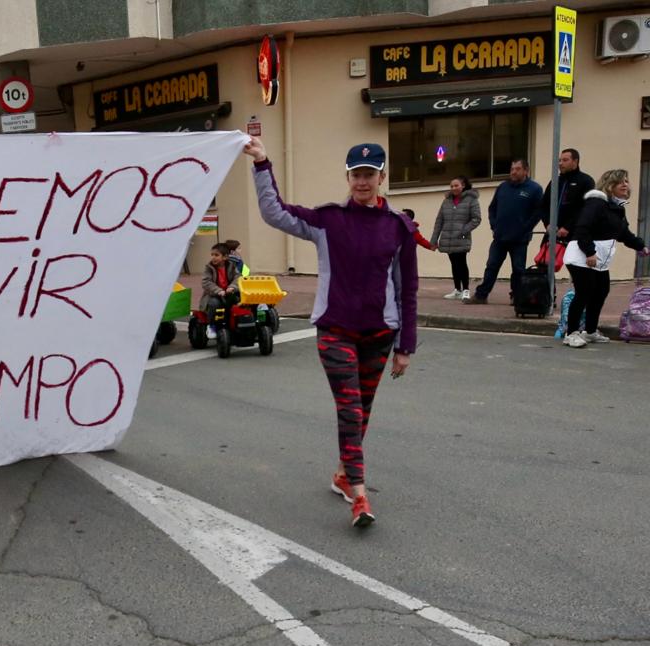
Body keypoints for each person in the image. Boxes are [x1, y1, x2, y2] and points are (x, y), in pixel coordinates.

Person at [247, 137, 417, 529]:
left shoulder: (398, 228)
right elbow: (276, 213)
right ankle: (359, 494)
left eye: (369, 174)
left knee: (364, 412)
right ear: (347, 177)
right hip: (335, 330)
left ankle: (342, 474)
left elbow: (407, 288)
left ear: (381, 177)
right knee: (350, 409)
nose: (362, 181)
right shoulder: (329, 220)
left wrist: (405, 345)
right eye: (356, 174)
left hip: (379, 334)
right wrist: (262, 163)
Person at [562, 170, 649, 348]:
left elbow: (623, 233)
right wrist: (589, 252)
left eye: (626, 181)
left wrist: (640, 245)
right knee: (584, 292)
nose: (625, 184)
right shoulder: (596, 203)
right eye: (620, 182)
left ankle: (590, 331)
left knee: (601, 291)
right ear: (610, 186)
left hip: (599, 259)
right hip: (582, 256)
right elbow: (582, 228)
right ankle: (570, 333)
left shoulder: (617, 208)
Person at [471, 158, 545, 305]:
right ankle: (481, 295)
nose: (513, 172)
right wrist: (494, 225)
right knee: (492, 265)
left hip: (520, 238)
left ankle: (517, 296)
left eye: (517, 169)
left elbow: (538, 212)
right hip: (500, 236)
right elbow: (492, 208)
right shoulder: (503, 187)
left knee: (518, 269)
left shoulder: (534, 189)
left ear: (526, 171)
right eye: (512, 169)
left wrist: (526, 227)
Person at [431, 176, 482, 301]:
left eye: (456, 185)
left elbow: (476, 219)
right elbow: (439, 221)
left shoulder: (471, 200)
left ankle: (465, 290)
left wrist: (463, 230)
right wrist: (434, 239)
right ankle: (457, 290)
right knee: (454, 264)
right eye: (451, 186)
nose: (453, 188)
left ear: (463, 185)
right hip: (448, 237)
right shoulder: (446, 201)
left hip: (461, 237)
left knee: (462, 263)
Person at [543, 148, 595, 245]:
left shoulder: (586, 181)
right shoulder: (555, 181)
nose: (560, 163)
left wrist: (568, 227)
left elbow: (585, 208)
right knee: (545, 260)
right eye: (559, 160)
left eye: (565, 160)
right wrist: (548, 224)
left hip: (574, 236)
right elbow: (544, 205)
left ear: (575, 161)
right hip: (552, 235)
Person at [199, 241, 246, 338]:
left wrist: (232, 287)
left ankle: (241, 323)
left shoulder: (231, 266)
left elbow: (238, 277)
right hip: (215, 295)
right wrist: (218, 291)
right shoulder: (209, 268)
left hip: (230, 293)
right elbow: (206, 282)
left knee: (241, 302)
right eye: (212, 255)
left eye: (216, 255)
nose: (213, 257)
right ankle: (211, 326)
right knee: (214, 304)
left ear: (225, 257)